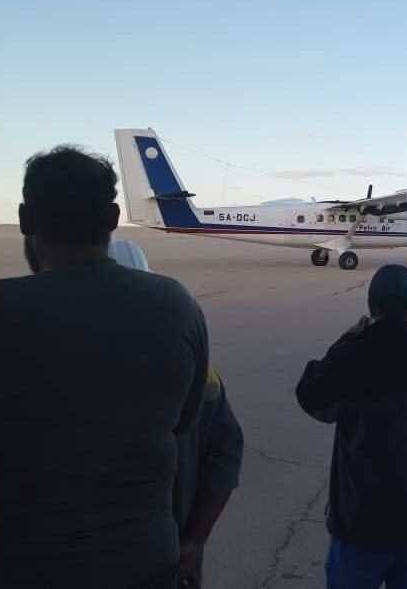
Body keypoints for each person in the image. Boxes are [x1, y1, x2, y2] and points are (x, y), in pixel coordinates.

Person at [0, 146, 209, 588]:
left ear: (24, 219)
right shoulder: (176, 307)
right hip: (144, 565)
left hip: (18, 572)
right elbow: (184, 419)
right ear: (113, 218)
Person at [296, 264, 407, 589]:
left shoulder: (351, 358)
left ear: (370, 306)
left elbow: (310, 397)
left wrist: (344, 341)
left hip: (362, 523)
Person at [107, 240, 244, 589]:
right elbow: (225, 456)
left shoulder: (56, 368)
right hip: (170, 552)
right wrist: (195, 539)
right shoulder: (199, 370)